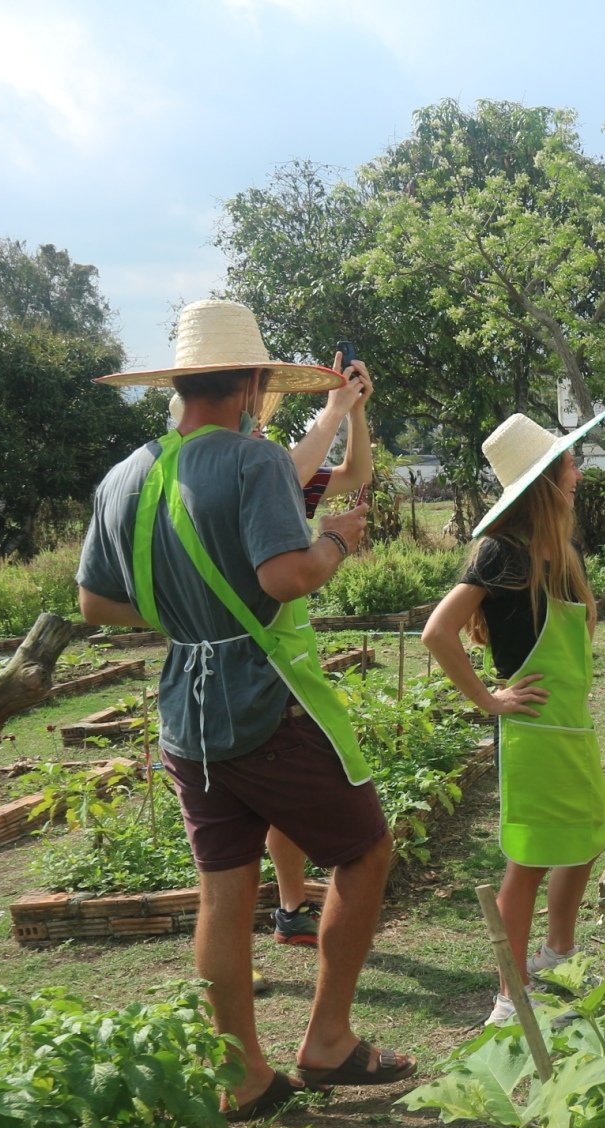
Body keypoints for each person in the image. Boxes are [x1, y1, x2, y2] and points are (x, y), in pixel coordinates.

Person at [80, 299, 410, 1121]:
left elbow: (95, 602)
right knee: (366, 851)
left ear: (182, 383)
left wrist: (188, 617)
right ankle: (328, 1040)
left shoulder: (127, 474)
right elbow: (286, 578)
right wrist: (334, 540)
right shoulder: (251, 464)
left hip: (185, 720)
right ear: (255, 381)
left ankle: (244, 1074)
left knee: (222, 891)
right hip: (267, 706)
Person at [421, 411, 605, 1026]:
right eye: (569, 463)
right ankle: (509, 997)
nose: (577, 472)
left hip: (572, 727)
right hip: (532, 733)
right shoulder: (503, 554)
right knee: (527, 861)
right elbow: (438, 633)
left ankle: (556, 956)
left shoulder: (563, 550)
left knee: (584, 842)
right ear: (548, 481)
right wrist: (490, 700)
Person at [265, 353, 376, 948]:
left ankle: (288, 906)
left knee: (272, 801)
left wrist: (354, 412)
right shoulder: (256, 475)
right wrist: (334, 408)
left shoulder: (276, 475)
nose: (258, 428)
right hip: (261, 660)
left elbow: (355, 472)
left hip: (288, 651)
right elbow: (288, 469)